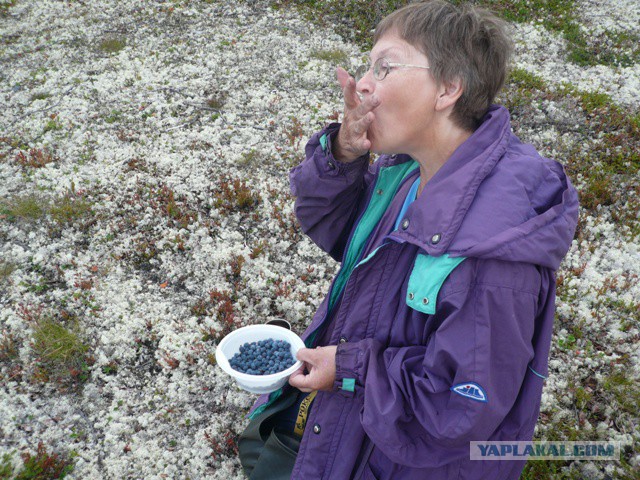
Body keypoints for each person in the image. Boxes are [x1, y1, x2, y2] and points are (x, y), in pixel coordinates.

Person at [238, 1, 579, 479]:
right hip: (360, 429)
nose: (362, 83)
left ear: (448, 88)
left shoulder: (494, 254)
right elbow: (342, 231)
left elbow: (461, 404)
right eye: (367, 65)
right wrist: (343, 155)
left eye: (386, 66)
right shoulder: (408, 174)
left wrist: (352, 368)